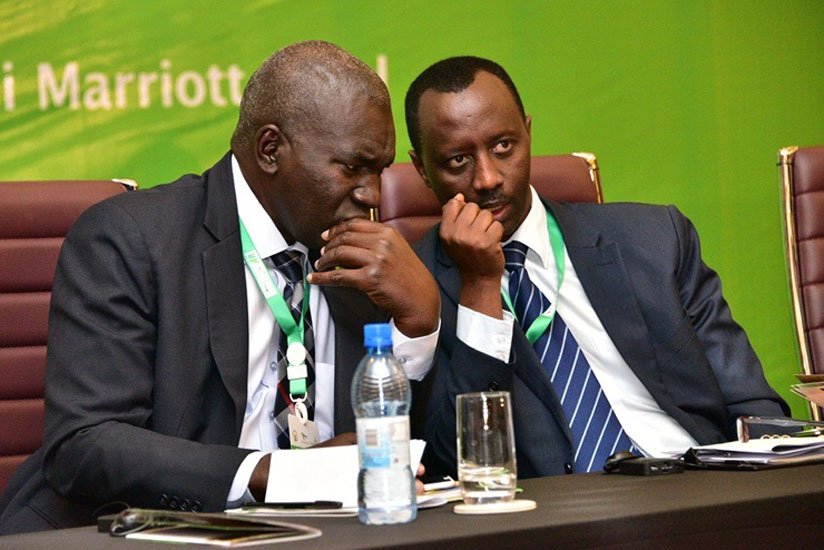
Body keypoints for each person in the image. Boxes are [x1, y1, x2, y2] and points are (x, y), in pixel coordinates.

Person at [0, 41, 440, 534]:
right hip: (144, 533)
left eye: (380, 170)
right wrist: (268, 474)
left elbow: (416, 449)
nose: (372, 195)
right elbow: (85, 443)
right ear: (270, 150)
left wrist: (420, 326)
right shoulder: (131, 239)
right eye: (354, 167)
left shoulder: (363, 256)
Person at [404, 56, 789, 478]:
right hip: (562, 515)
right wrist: (480, 284)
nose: (488, 178)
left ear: (528, 134)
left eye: (503, 146)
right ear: (423, 169)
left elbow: (753, 407)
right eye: (459, 160)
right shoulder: (416, 289)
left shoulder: (655, 240)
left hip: (700, 484)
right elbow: (450, 460)